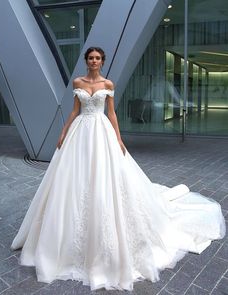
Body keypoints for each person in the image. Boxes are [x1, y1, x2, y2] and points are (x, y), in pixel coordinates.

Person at [11, 47, 226, 291]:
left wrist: (119, 138)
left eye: (98, 58)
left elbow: (112, 114)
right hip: (80, 133)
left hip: (101, 132)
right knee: (73, 179)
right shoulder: (78, 81)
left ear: (102, 61)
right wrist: (63, 132)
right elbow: (74, 110)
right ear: (86, 60)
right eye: (90, 58)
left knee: (105, 177)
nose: (94, 61)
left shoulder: (108, 83)